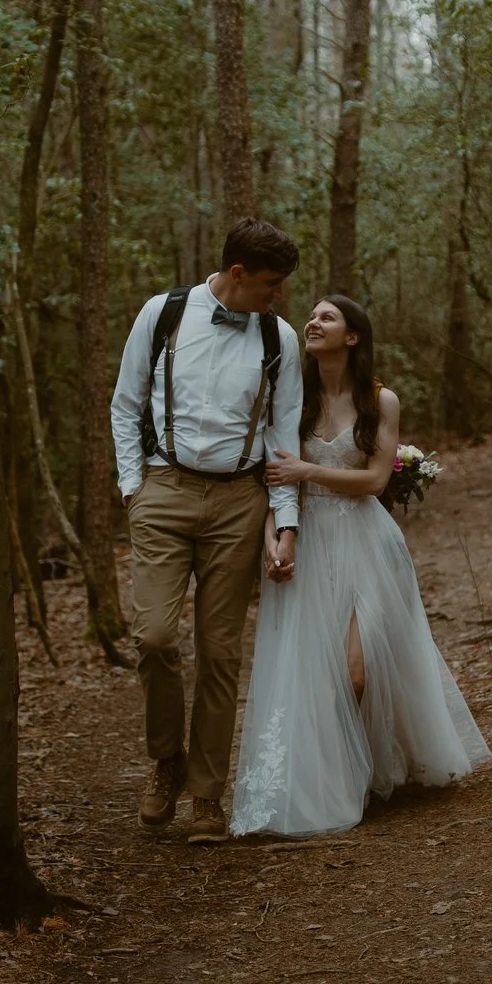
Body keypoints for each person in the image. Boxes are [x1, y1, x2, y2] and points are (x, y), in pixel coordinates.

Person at [228, 295, 489, 838]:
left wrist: (308, 470)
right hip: (307, 543)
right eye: (312, 316)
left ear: (352, 337)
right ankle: (342, 778)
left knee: (356, 670)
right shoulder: (288, 398)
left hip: (366, 542)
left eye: (327, 317)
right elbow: (269, 483)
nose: (312, 322)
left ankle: (373, 765)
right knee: (313, 671)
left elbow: (374, 480)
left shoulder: (380, 400)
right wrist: (273, 543)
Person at [110, 220, 305, 844]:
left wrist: (286, 524)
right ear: (239, 274)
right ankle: (165, 760)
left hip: (238, 503)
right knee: (156, 638)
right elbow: (125, 404)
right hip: (163, 490)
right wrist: (132, 487)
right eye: (272, 284)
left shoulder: (281, 338)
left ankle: (205, 796)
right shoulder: (162, 314)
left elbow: (283, 437)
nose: (279, 296)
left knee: (220, 654)